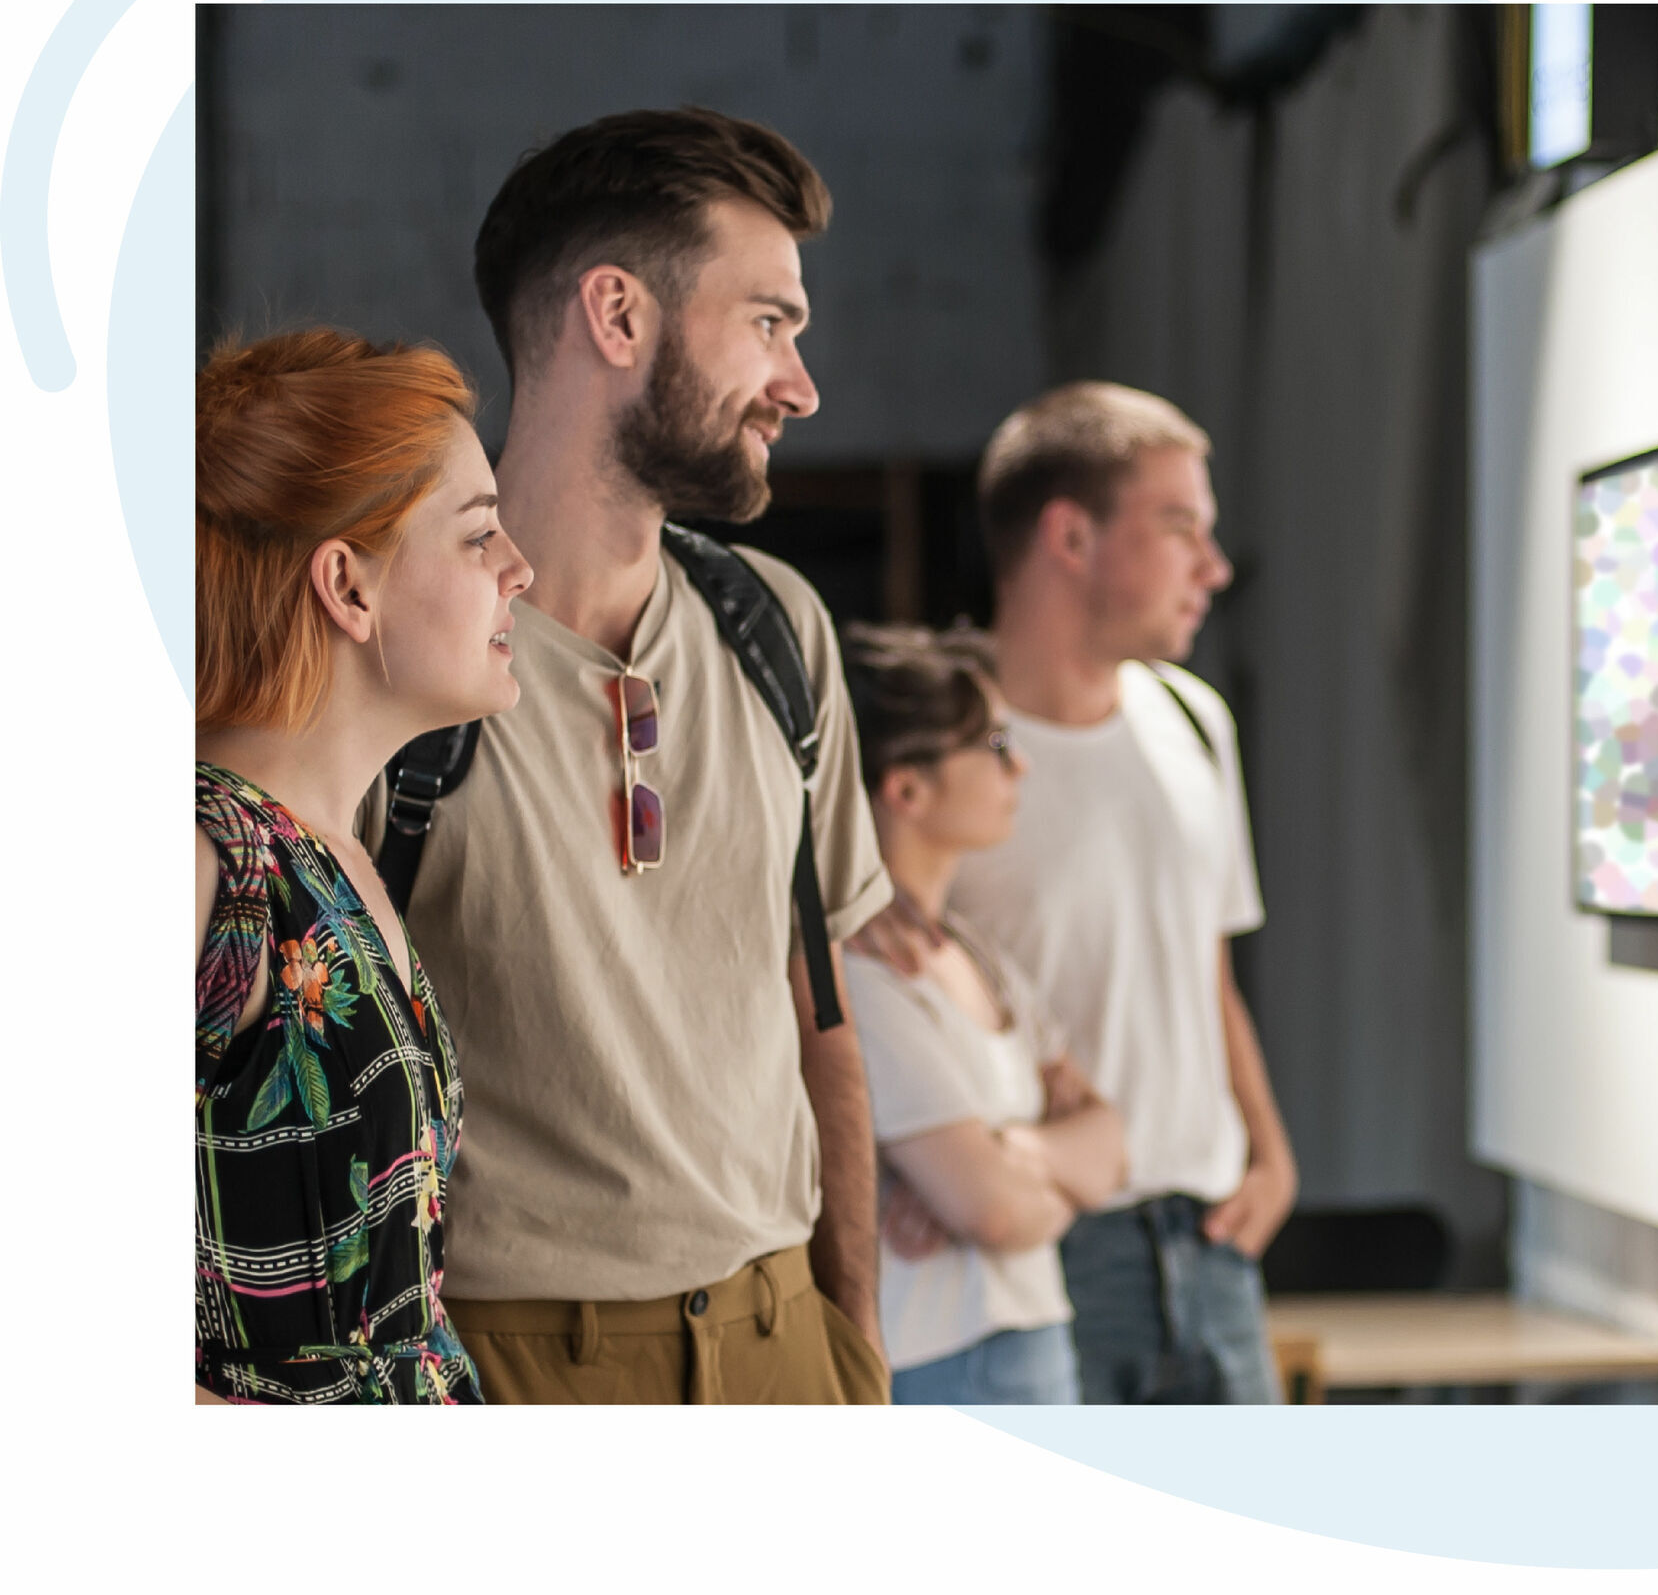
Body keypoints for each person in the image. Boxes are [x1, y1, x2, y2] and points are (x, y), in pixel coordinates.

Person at [364, 107, 893, 1403]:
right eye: (768, 321)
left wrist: (857, 1342)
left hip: (788, 1342)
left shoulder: (780, 629)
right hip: (518, 1363)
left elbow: (817, 1006)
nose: (800, 383)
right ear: (618, 314)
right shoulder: (384, 643)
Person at [858, 382, 1298, 1403]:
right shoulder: (943, 765)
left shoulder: (1195, 721)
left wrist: (1273, 1162)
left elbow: (1205, 971)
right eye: (1180, 525)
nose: (1215, 568)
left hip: (1214, 1234)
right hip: (1039, 1252)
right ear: (1070, 535)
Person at [195, 329, 534, 1403]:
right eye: (480, 535)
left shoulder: (344, 852)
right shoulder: (205, 857)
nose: (519, 569)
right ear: (347, 584)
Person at [842, 623, 1125, 1404]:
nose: (1021, 765)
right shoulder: (864, 971)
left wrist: (1005, 1147)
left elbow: (1111, 1147)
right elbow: (993, 1210)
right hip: (941, 1360)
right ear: (907, 789)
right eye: (995, 745)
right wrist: (1041, 1176)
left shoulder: (974, 952)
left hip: (1032, 1337)